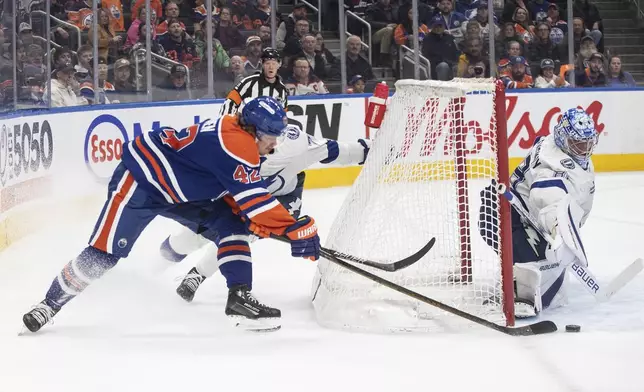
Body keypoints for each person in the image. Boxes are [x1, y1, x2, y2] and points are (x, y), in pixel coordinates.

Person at [22, 97, 321, 333]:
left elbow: (240, 196)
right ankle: (49, 304)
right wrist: (293, 228)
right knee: (103, 255)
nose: (275, 143)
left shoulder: (240, 135)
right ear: (254, 131)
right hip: (141, 181)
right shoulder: (237, 145)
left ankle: (239, 298)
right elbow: (255, 201)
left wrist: (268, 223)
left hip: (179, 190)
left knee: (231, 225)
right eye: (271, 136)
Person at [161, 123, 372, 303]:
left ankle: (197, 274)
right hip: (234, 198)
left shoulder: (297, 145)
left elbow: (337, 150)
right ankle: (162, 260)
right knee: (188, 239)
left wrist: (372, 149)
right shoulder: (231, 145)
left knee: (236, 237)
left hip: (279, 201)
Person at [479, 108, 598, 318]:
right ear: (563, 138)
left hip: (524, 215)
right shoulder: (552, 165)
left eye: (588, 144)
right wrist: (559, 227)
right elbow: (545, 194)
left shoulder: (561, 148)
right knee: (543, 268)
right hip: (506, 212)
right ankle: (519, 291)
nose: (584, 150)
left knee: (551, 266)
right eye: (578, 144)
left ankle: (521, 272)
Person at [219, 47, 288, 116]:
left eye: (274, 63)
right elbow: (230, 101)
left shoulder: (282, 90)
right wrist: (228, 120)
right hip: (246, 125)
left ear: (280, 64)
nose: (271, 67)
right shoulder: (248, 83)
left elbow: (282, 115)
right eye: (267, 63)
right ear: (262, 63)